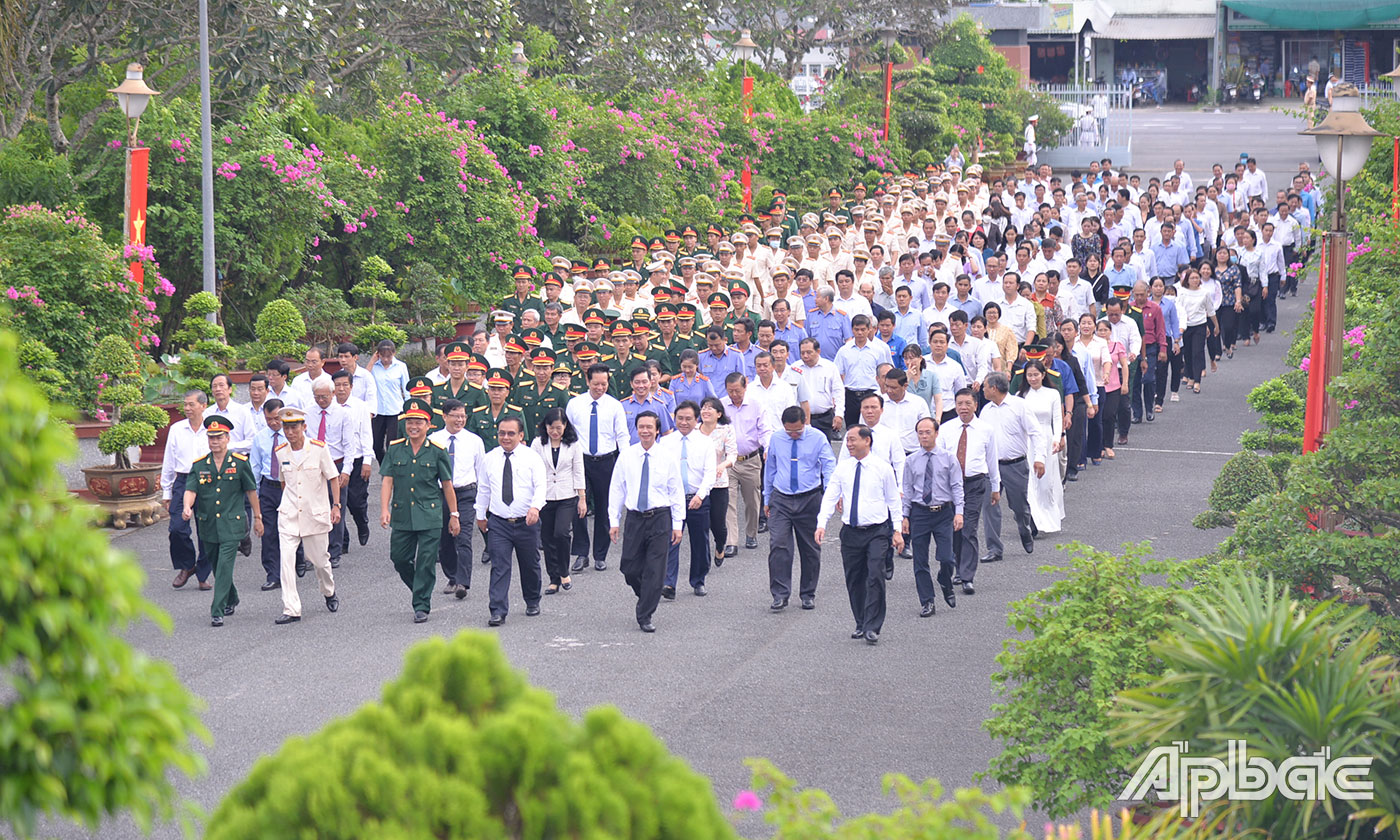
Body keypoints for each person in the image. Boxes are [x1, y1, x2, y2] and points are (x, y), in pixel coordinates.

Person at [816, 425, 903, 646]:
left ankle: (873, 626)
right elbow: (830, 496)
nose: (849, 444)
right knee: (854, 578)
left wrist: (897, 530)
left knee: (875, 575)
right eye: (847, 440)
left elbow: (893, 500)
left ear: (867, 441)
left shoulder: (882, 468)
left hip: (877, 531)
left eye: (853, 439)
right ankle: (861, 621)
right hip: (851, 532)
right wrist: (821, 524)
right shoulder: (843, 468)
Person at [380, 398, 459, 624]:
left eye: (419, 422)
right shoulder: (395, 449)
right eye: (409, 422)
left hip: (430, 514)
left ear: (428, 425)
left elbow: (446, 485)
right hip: (403, 514)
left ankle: (421, 604)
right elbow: (387, 480)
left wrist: (454, 515)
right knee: (399, 558)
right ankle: (419, 588)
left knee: (425, 561)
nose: (413, 426)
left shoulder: (437, 451)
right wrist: (384, 509)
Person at [181, 414, 261, 627]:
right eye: (211, 438)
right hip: (207, 524)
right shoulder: (199, 465)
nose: (215, 442)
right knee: (217, 565)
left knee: (225, 565)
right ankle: (232, 597)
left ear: (227, 438)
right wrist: (187, 507)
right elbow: (191, 489)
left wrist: (258, 518)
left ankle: (217, 609)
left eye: (219, 437)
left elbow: (251, 491)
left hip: (232, 524)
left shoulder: (240, 463)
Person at [608, 411, 685, 633]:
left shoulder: (667, 457)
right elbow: (617, 488)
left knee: (655, 569)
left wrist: (678, 525)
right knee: (629, 567)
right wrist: (614, 520)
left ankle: (645, 614)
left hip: (660, 517)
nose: (645, 431)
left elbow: (676, 491)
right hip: (635, 518)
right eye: (641, 427)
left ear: (657, 430)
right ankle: (647, 595)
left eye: (649, 427)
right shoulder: (627, 456)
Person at [268, 406, 340, 625]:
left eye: (294, 427)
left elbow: (333, 478)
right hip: (289, 514)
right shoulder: (281, 452)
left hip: (315, 513)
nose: (290, 432)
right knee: (287, 562)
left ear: (303, 427)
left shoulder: (318, 449)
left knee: (320, 562)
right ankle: (291, 608)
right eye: (286, 428)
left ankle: (329, 591)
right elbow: (283, 481)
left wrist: (335, 505)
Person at [763, 405, 836, 611]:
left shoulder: (818, 437)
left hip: (809, 498)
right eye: (789, 431)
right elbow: (771, 469)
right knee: (778, 545)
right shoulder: (777, 438)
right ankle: (780, 594)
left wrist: (830, 491)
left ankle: (807, 593)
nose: (793, 434)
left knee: (810, 548)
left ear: (805, 422)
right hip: (781, 498)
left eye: (797, 430)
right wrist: (767, 498)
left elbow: (829, 464)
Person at [475, 416, 546, 626]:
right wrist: (480, 515)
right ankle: (497, 610)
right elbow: (484, 489)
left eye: (511, 433)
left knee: (530, 563)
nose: (505, 437)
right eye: (502, 433)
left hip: (527, 522)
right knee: (499, 565)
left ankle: (532, 599)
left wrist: (535, 507)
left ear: (521, 435)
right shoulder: (489, 458)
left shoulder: (532, 458)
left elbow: (541, 486)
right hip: (499, 522)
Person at [565, 364, 629, 572]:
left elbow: (622, 435)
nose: (600, 388)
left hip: (606, 461)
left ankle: (600, 554)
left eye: (604, 384)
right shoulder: (575, 404)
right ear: (587, 381)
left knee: (604, 508)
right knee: (579, 507)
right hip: (580, 461)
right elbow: (569, 434)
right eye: (596, 384)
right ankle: (581, 553)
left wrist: (626, 460)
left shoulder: (614, 406)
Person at [937, 388, 997, 595]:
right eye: (959, 403)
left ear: (975, 405)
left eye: (967, 403)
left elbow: (991, 460)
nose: (963, 408)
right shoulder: (945, 429)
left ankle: (967, 576)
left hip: (975, 484)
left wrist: (995, 487)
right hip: (950, 486)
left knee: (969, 528)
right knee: (954, 528)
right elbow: (939, 459)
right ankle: (956, 568)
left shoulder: (986, 429)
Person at [902, 417, 964, 617]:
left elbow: (956, 486)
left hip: (943, 512)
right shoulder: (911, 460)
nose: (924, 436)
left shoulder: (948, 458)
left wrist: (959, 512)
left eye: (928, 432)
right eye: (920, 432)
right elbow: (907, 489)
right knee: (920, 560)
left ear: (936, 433)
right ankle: (927, 600)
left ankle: (945, 580)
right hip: (920, 512)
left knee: (947, 558)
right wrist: (905, 516)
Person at [979, 372, 1044, 561]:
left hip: (1015, 465)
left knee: (1019, 506)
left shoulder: (1019, 406)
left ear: (994, 388)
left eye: (985, 386)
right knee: (990, 506)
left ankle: (1025, 528)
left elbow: (1035, 433)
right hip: (991, 467)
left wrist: (1039, 458)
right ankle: (994, 548)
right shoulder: (986, 411)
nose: (982, 390)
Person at [429, 399, 486, 598]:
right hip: (441, 493)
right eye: (455, 416)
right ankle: (452, 577)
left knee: (464, 538)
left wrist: (483, 500)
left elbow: (481, 470)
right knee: (445, 539)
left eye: (463, 416)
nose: (460, 420)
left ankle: (463, 582)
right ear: (444, 416)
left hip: (466, 493)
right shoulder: (434, 439)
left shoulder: (474, 440)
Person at [662, 401, 717, 598]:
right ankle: (668, 583)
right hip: (672, 500)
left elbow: (710, 473)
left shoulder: (705, 442)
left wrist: (700, 495)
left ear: (696, 420)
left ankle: (698, 580)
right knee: (671, 539)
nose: (684, 423)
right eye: (680, 419)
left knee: (699, 541)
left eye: (688, 419)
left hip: (697, 499)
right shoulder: (666, 442)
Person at [532, 407, 586, 595]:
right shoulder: (538, 444)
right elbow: (533, 470)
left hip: (567, 495)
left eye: (558, 428)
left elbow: (578, 472)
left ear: (565, 427)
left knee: (562, 533)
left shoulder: (573, 445)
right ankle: (553, 578)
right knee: (547, 538)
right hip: (545, 496)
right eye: (551, 428)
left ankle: (564, 570)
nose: (554, 432)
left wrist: (582, 499)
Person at [162, 389, 211, 589]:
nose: (187, 408)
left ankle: (203, 573)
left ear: (203, 406)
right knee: (176, 528)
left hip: (208, 480)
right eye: (185, 404)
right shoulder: (176, 429)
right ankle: (187, 564)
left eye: (191, 404)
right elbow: (169, 461)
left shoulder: (213, 427)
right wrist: (167, 491)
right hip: (183, 481)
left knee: (207, 532)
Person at [720, 372, 771, 555]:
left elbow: (764, 429)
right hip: (729, 462)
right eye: (730, 391)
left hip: (750, 460)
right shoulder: (722, 405)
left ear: (745, 387)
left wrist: (767, 448)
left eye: (737, 391)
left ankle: (751, 533)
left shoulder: (756, 404)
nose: (734, 395)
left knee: (752, 501)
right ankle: (731, 541)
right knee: (728, 501)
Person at [1017, 361, 1064, 535]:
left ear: (1043, 375)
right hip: (1027, 440)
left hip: (1046, 438)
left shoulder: (1052, 394)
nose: (1033, 378)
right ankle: (1033, 520)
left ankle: (1048, 516)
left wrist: (1057, 439)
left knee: (1046, 481)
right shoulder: (1020, 396)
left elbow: (1057, 418)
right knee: (1029, 480)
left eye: (1036, 374)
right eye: (1029, 375)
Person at [331, 369, 374, 551]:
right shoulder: (329, 406)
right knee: (337, 501)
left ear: (352, 386)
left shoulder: (360, 406)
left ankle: (362, 522)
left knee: (356, 501)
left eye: (345, 385)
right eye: (337, 385)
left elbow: (366, 434)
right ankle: (342, 540)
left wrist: (367, 460)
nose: (341, 389)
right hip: (335, 461)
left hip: (356, 459)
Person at [698, 397, 737, 570]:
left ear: (719, 413)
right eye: (703, 408)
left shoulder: (726, 430)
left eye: (710, 409)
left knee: (718, 523)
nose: (705, 411)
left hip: (718, 483)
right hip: (697, 484)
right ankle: (703, 560)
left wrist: (722, 465)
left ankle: (720, 545)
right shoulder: (693, 431)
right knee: (701, 524)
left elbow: (732, 455)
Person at [1175, 268, 1218, 394]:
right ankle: (1191, 377)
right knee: (1187, 352)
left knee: (1197, 352)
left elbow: (1210, 311)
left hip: (1200, 325)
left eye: (1197, 278)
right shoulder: (1182, 292)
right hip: (1186, 326)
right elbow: (1178, 309)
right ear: (1187, 280)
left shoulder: (1204, 293)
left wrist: (1215, 325)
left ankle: (1197, 381)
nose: (1195, 280)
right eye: (1192, 278)